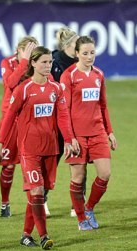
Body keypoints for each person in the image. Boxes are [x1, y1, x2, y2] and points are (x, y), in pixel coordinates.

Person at [0, 46, 78, 249]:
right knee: (37, 191)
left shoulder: (56, 89)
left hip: (50, 149)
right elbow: (9, 117)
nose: (48, 66)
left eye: (50, 62)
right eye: (44, 62)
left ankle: (25, 235)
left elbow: (63, 116)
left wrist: (69, 139)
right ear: (33, 63)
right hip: (29, 150)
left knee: (37, 194)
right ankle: (44, 236)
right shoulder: (24, 89)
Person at [60, 35, 117, 231]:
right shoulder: (68, 76)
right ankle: (81, 219)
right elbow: (64, 109)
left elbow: (103, 105)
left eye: (92, 52)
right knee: (77, 177)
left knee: (105, 173)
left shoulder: (99, 75)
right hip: (77, 136)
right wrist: (69, 138)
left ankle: (89, 208)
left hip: (98, 132)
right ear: (76, 54)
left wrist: (109, 132)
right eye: (85, 53)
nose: (89, 56)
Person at [0, 36, 38, 218]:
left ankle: (39, 202)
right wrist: (25, 62)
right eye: (27, 51)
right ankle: (5, 202)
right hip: (10, 120)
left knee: (34, 163)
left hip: (31, 119)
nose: (31, 55)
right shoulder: (7, 62)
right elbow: (10, 83)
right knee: (8, 166)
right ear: (18, 51)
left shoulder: (36, 64)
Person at [50, 26, 80, 217]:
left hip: (76, 119)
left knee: (79, 161)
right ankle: (42, 198)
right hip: (57, 119)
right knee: (52, 160)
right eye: (78, 42)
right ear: (69, 45)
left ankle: (76, 205)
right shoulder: (53, 63)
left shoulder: (82, 62)